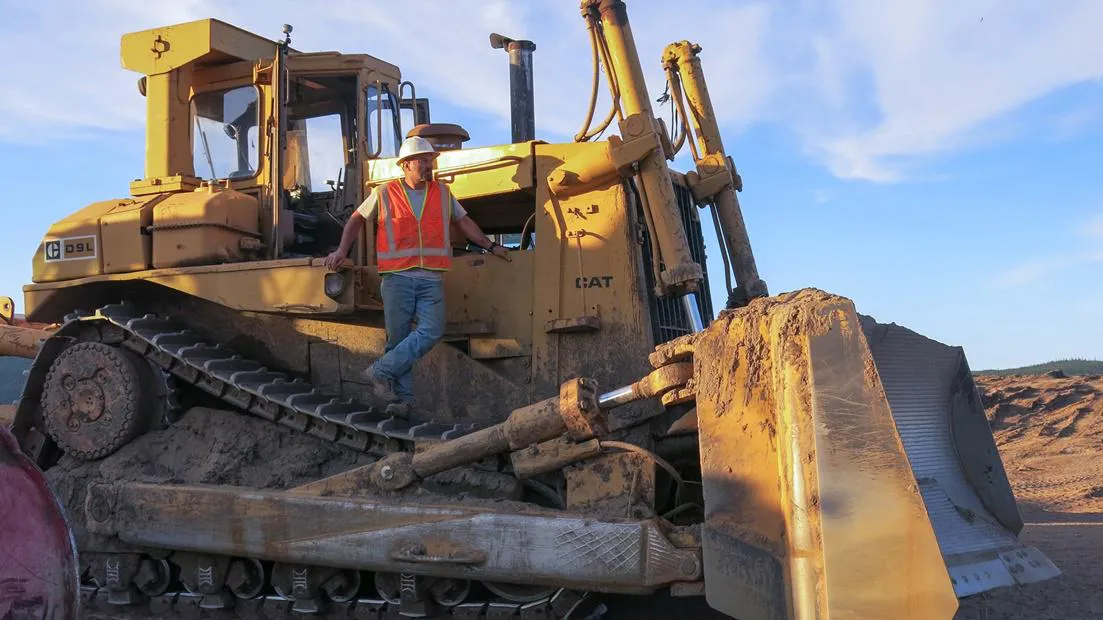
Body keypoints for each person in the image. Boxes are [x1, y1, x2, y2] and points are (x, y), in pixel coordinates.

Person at [323, 136, 509, 416]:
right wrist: (341, 249)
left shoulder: (442, 193)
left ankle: (380, 371)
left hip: (431, 277)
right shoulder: (385, 193)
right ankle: (404, 401)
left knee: (431, 330)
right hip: (397, 277)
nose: (427, 165)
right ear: (406, 165)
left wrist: (491, 245)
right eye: (422, 160)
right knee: (397, 340)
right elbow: (357, 219)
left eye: (430, 160)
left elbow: (465, 222)